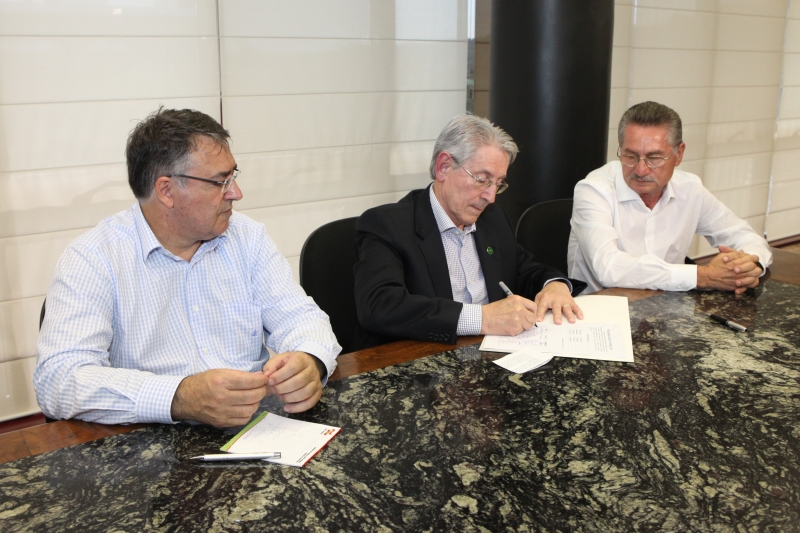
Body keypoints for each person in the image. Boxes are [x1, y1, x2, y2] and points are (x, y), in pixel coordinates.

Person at [34, 108, 341, 427]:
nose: (236, 193)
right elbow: (59, 380)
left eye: (233, 176)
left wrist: (310, 360)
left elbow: (301, 318)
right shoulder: (93, 258)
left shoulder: (247, 237)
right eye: (221, 182)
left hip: (257, 432)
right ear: (166, 191)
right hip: (151, 451)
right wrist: (179, 397)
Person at [353, 114, 587, 349]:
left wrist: (554, 285)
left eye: (498, 183)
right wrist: (482, 319)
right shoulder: (387, 225)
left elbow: (524, 269)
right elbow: (380, 306)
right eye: (482, 180)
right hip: (424, 363)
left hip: (493, 355)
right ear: (444, 167)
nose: (491, 196)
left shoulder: (492, 219)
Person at [568, 101, 773, 295]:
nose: (640, 169)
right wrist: (703, 276)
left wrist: (749, 266)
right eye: (630, 156)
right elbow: (609, 268)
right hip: (602, 315)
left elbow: (745, 237)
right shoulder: (594, 190)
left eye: (654, 157)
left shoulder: (690, 189)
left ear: (679, 154)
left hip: (668, 311)